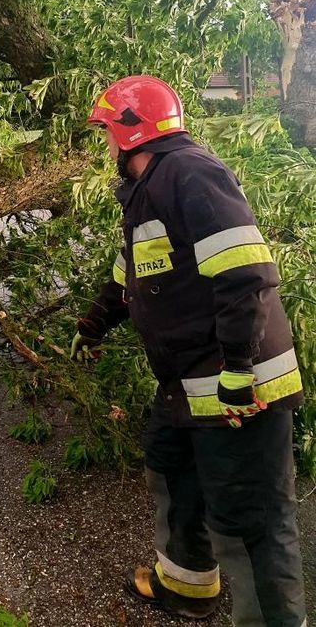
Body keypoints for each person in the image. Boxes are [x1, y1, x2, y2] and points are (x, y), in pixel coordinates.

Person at [71, 75, 306, 626]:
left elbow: (244, 272)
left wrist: (237, 371)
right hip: (187, 385)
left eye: (107, 129)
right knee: (172, 470)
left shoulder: (189, 173)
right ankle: (188, 588)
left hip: (238, 387)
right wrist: (96, 321)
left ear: (131, 132)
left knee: (251, 522)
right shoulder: (147, 189)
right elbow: (134, 273)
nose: (104, 140)